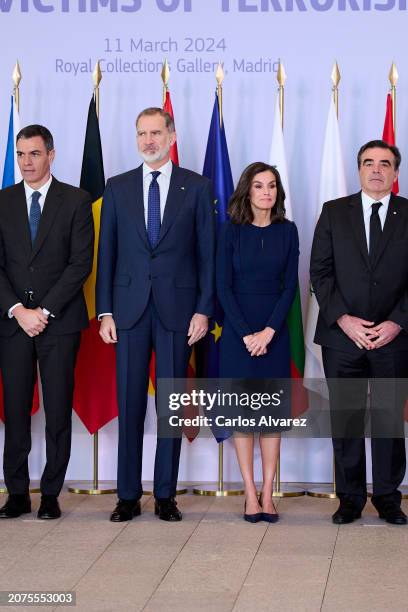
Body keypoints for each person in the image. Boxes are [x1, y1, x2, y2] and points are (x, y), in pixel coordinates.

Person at [96, 107, 215, 522]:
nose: (149, 141)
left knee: (169, 404)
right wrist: (105, 311)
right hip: (127, 313)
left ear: (171, 135)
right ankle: (127, 495)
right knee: (130, 404)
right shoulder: (117, 187)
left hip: (178, 313)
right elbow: (106, 254)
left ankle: (165, 494)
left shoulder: (197, 188)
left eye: (155, 133)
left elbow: (207, 256)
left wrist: (203, 310)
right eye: (142, 134)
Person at [310, 139, 408, 525]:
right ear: (359, 169)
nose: (377, 169)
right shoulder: (334, 213)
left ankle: (387, 497)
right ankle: (349, 498)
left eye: (385, 163)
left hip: (394, 338)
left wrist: (397, 321)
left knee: (387, 419)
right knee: (346, 418)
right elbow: (320, 272)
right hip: (342, 337)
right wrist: (345, 320)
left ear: (396, 173)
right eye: (369, 162)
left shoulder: (407, 213)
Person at [0, 125, 94, 520]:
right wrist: (19, 311)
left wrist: (44, 312)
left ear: (51, 155)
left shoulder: (75, 200)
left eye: (34, 154)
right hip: (13, 324)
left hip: (58, 324)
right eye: (21, 154)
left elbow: (80, 265)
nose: (26, 162)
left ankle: (51, 494)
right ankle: (17, 494)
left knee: (57, 411)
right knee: (16, 411)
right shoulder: (2, 201)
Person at [216, 162, 299, 523]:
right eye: (259, 186)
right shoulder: (229, 232)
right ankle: (249, 493)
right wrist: (247, 334)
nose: (266, 192)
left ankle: (268, 492)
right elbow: (223, 286)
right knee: (243, 416)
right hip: (238, 336)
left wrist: (268, 332)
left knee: (270, 417)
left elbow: (290, 286)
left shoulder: (289, 231)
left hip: (274, 335)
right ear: (246, 192)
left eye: (272, 186)